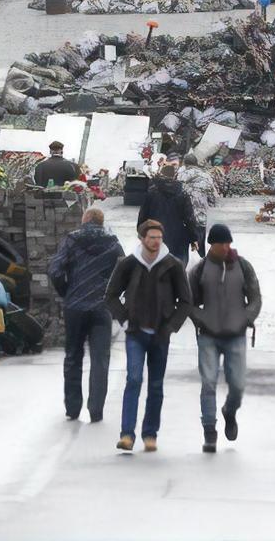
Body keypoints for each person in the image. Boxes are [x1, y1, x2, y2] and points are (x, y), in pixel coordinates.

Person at [105, 220, 192, 453]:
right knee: (133, 380)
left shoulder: (173, 265)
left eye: (159, 238)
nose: (156, 241)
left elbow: (186, 301)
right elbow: (111, 295)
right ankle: (127, 434)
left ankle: (150, 434)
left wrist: (171, 326)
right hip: (136, 333)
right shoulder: (128, 264)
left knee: (155, 385)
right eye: (152, 237)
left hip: (160, 334)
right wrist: (124, 319)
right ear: (142, 239)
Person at [188, 224, 262, 453]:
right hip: (208, 336)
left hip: (235, 335)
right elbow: (189, 302)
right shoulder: (200, 270)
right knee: (208, 383)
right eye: (221, 243)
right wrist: (201, 319)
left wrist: (245, 318)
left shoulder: (243, 266)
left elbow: (255, 298)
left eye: (228, 242)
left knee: (238, 385)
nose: (226, 247)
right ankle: (209, 430)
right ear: (212, 244)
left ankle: (230, 411)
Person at [47, 206, 124, 422]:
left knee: (73, 356)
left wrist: (67, 292)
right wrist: (112, 295)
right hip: (101, 307)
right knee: (100, 359)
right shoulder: (113, 243)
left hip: (75, 307)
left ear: (85, 220)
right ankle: (96, 410)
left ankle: (73, 408)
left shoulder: (72, 240)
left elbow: (55, 270)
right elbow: (124, 272)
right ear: (101, 222)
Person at [137, 162, 203, 260]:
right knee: (177, 267)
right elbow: (189, 218)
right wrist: (194, 238)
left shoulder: (151, 193)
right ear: (174, 176)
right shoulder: (182, 193)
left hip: (156, 236)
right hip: (178, 238)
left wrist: (141, 232)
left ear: (161, 174)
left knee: (156, 266)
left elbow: (143, 215)